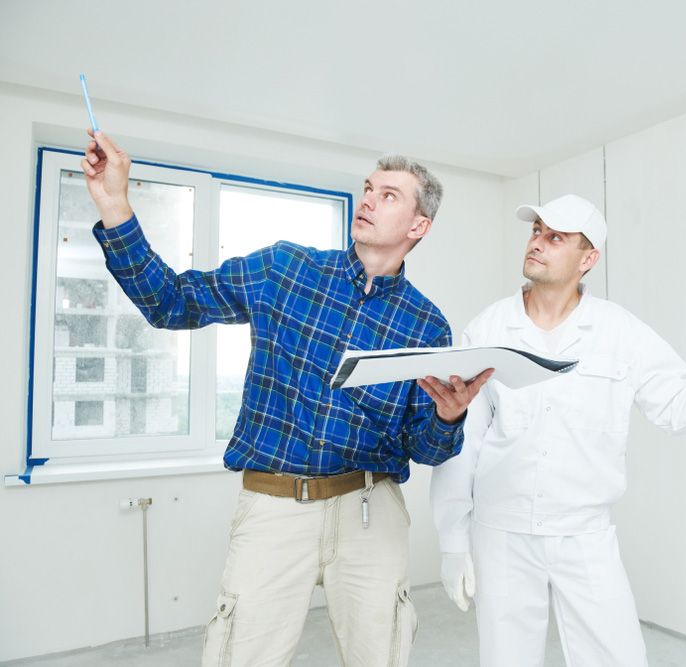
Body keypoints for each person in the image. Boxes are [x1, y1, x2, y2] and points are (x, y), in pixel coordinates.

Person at [80, 130, 491, 667]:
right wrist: (115, 203)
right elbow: (171, 301)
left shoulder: (426, 324)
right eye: (368, 188)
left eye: (388, 195)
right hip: (274, 508)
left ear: (419, 225)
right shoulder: (285, 270)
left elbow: (427, 449)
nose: (368, 198)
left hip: (371, 515)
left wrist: (447, 416)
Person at [430, 194, 686, 666]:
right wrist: (453, 540)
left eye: (555, 237)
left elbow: (679, 405)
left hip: (584, 533)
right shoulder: (487, 328)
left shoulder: (621, 333)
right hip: (502, 532)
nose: (537, 242)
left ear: (588, 258)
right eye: (536, 231)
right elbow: (463, 444)